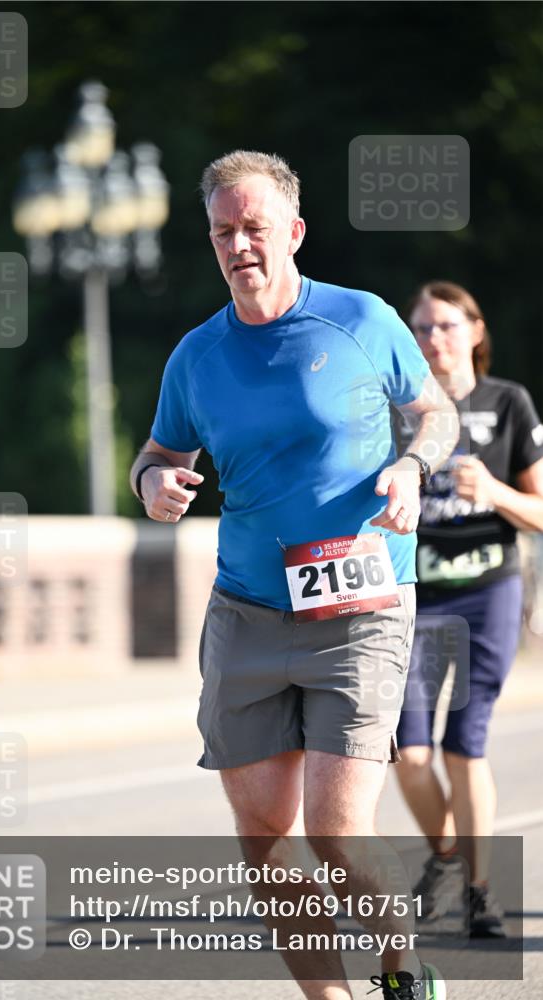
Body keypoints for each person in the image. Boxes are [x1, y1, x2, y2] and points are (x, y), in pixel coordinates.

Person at [130, 151, 459, 1000]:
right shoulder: (197, 355)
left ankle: (398, 962)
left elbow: (433, 411)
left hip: (359, 604)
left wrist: (413, 468)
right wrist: (152, 481)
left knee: (337, 833)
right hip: (245, 611)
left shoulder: (359, 320)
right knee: (265, 837)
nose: (239, 245)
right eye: (222, 232)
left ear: (294, 233)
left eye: (254, 228)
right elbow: (162, 449)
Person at [394, 281, 543, 938]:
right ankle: (446, 857)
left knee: (464, 742)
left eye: (446, 326)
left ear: (475, 332)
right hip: (413, 596)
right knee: (410, 751)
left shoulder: (506, 403)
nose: (433, 339)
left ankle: (480, 892)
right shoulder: (394, 411)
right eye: (421, 328)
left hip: (488, 590)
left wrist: (494, 491)